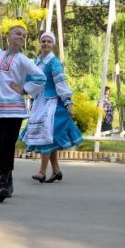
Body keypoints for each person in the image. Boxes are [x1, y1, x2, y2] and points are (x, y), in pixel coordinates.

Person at [0, 24, 46, 202]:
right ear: (8, 36)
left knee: (7, 144)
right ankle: (8, 182)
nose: (21, 37)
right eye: (18, 33)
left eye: (24, 35)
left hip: (14, 110)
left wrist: (24, 89)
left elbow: (41, 77)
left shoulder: (24, 60)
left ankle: (1, 182)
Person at [22, 32, 83, 183]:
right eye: (43, 41)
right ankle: (56, 171)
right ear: (40, 43)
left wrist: (68, 102)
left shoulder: (54, 62)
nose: (46, 44)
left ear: (53, 44)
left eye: (49, 41)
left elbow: (60, 83)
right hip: (39, 102)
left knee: (46, 134)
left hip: (53, 103)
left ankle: (42, 172)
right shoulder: (37, 61)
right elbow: (29, 79)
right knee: (48, 137)